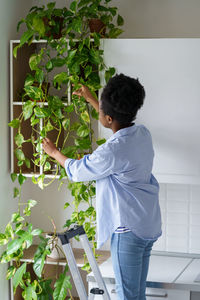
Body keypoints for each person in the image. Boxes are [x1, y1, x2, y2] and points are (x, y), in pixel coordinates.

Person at [42, 73, 162, 300]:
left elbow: (78, 171)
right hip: (147, 225)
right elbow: (116, 124)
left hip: (128, 230)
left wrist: (55, 153)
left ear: (108, 118)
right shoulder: (142, 134)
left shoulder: (112, 151)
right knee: (137, 296)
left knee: (129, 297)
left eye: (101, 111)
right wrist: (92, 100)